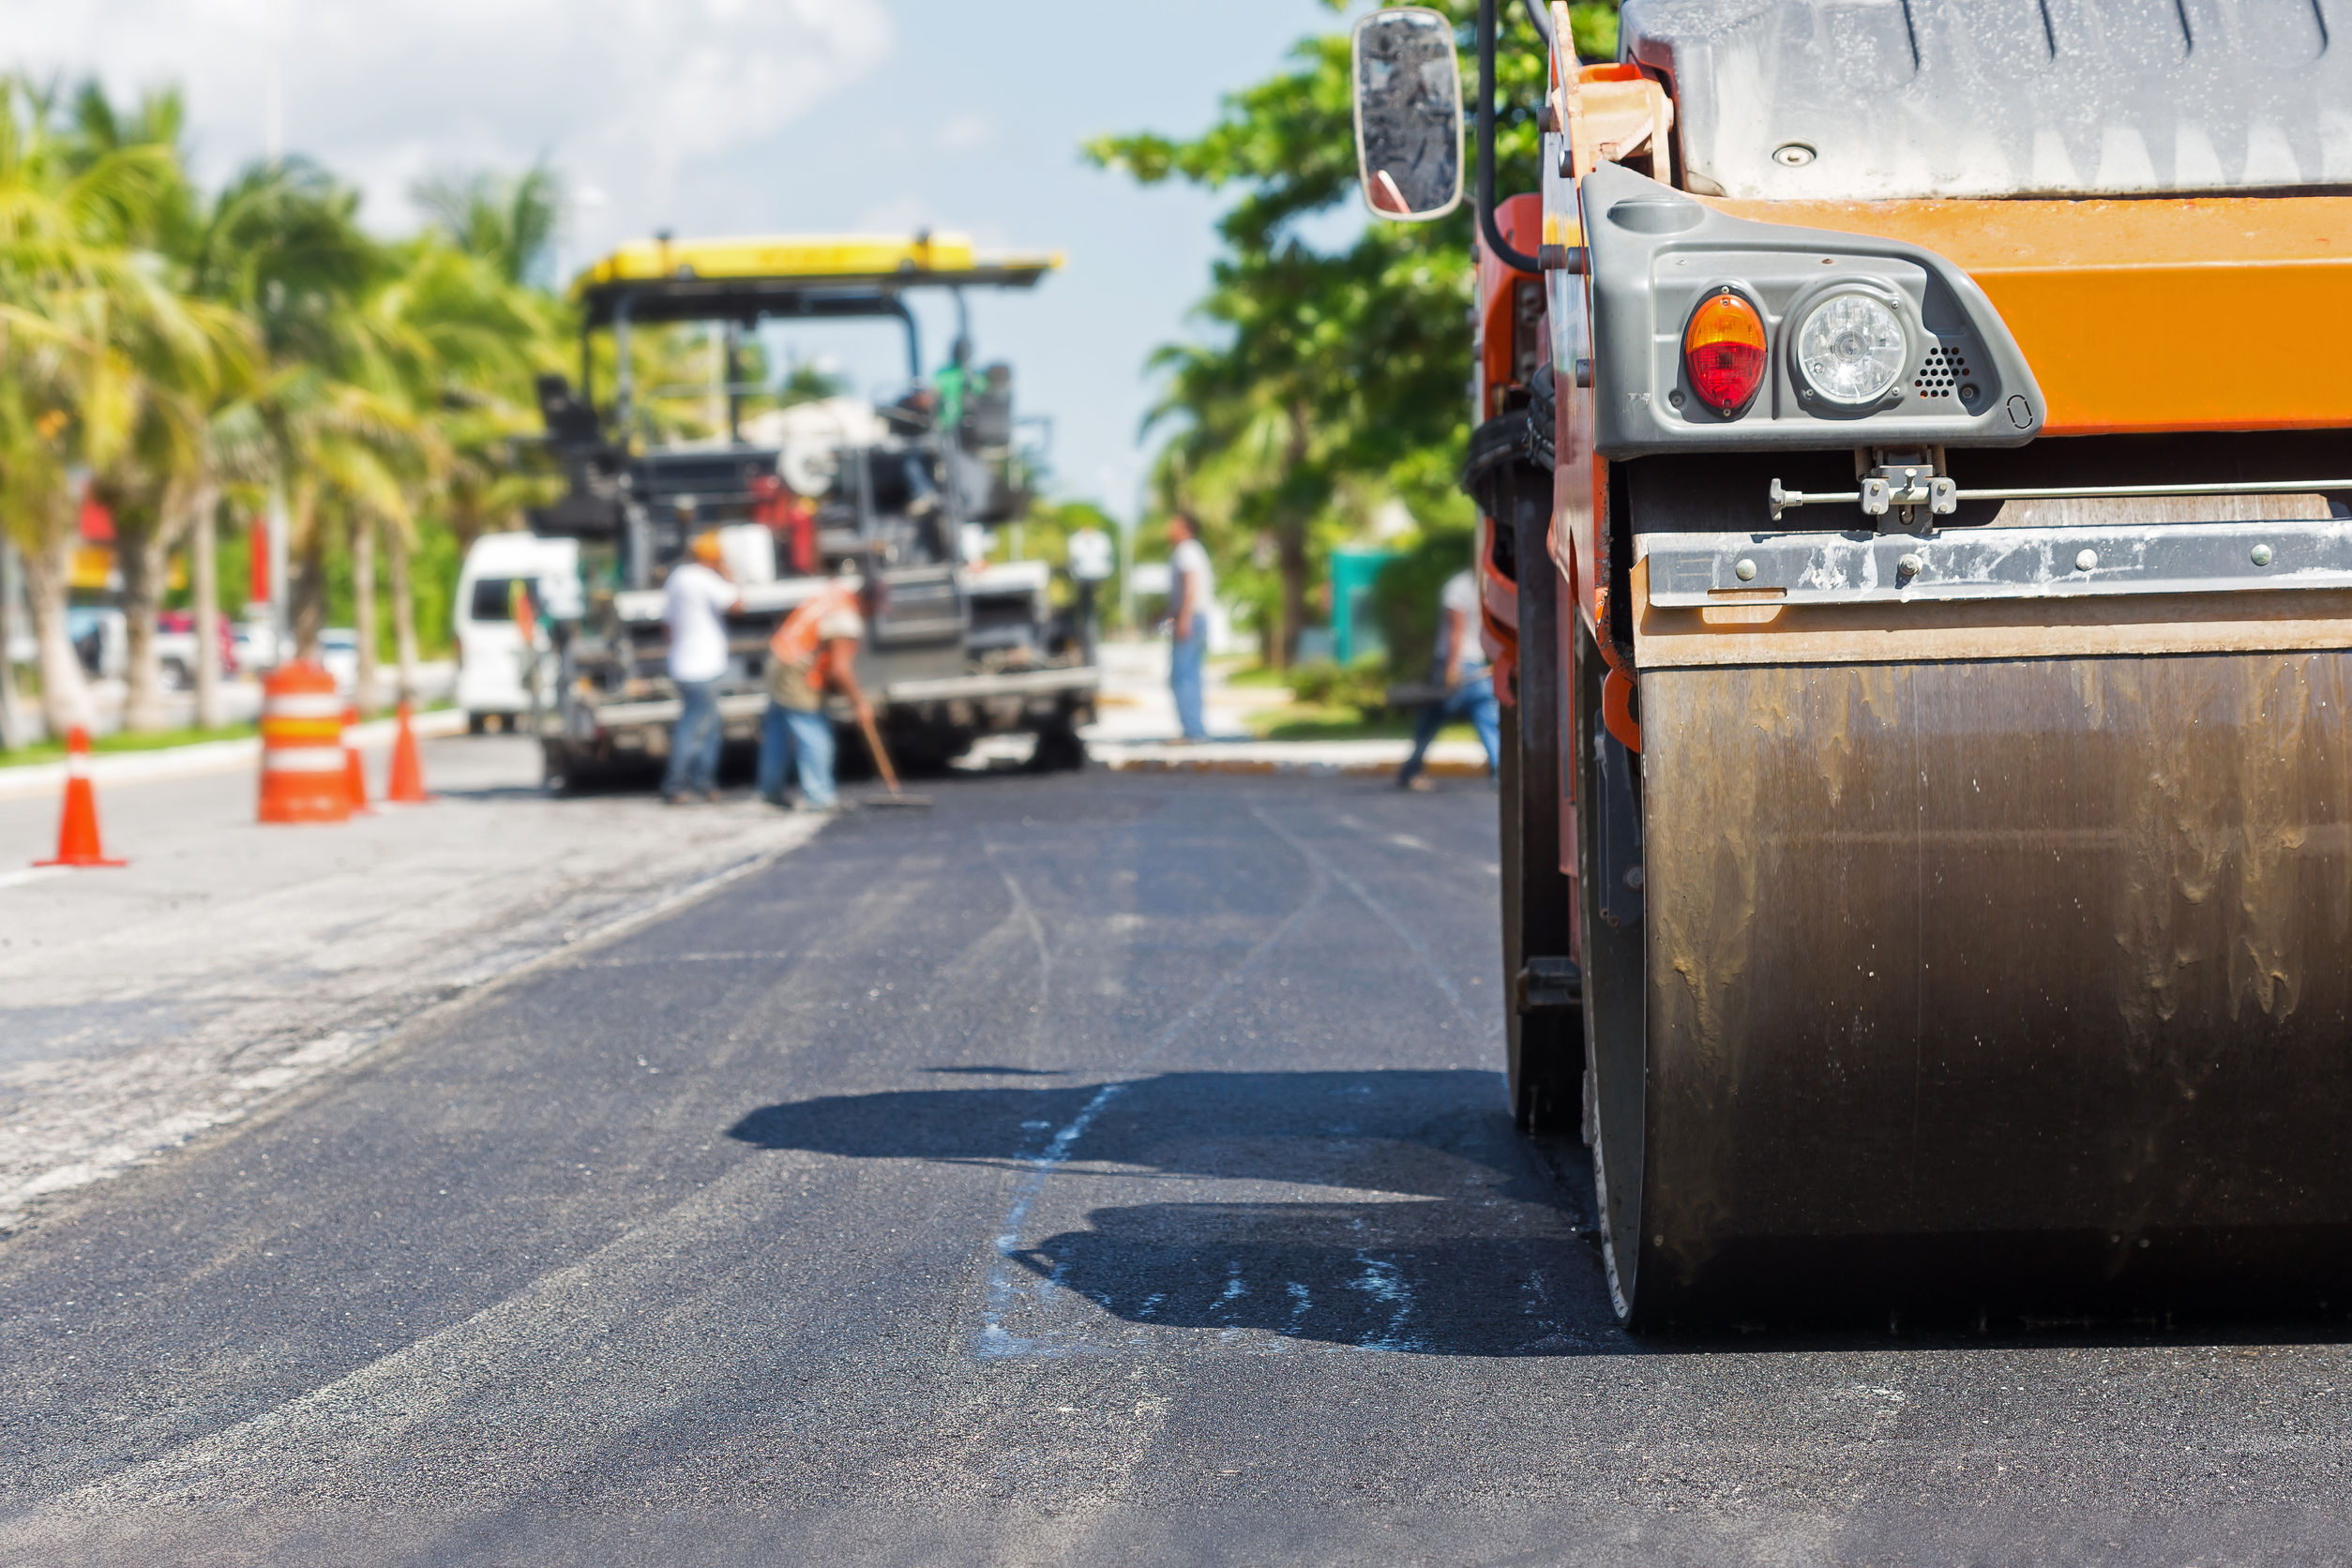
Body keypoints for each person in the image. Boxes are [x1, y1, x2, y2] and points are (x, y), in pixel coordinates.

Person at [759, 560, 876, 812]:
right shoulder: (846, 618)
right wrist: (860, 703)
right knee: (813, 731)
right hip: (795, 668)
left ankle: (770, 789)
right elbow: (840, 670)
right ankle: (818, 795)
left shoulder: (836, 593)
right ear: (869, 601)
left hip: (780, 655)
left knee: (779, 728)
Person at [1397, 566, 1501, 791]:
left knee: (1432, 719)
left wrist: (1451, 668)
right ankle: (1499, 769)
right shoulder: (1481, 586)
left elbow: (1455, 632)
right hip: (1470, 663)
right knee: (1486, 717)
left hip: (1456, 663)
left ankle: (1411, 770)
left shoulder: (1459, 587)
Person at [661, 531, 741, 804]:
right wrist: (730, 577)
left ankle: (703, 784)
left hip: (682, 663)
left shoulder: (677, 577)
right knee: (696, 729)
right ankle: (678, 785)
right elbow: (738, 604)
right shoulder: (705, 579)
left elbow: (668, 625)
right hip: (704, 665)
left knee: (705, 727)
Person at [1166, 512, 1213, 742]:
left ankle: (1193, 731)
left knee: (1183, 675)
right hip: (1194, 617)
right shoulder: (1192, 550)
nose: (1168, 528)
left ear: (1185, 527)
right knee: (1190, 673)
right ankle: (1194, 730)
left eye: (1173, 523)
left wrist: (1183, 619)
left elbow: (1190, 584)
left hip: (1191, 618)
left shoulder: (1186, 550)